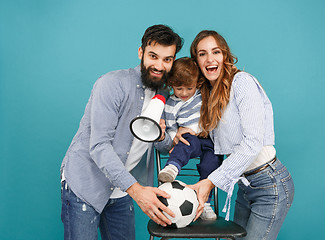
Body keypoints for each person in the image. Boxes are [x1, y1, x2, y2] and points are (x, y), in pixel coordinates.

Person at [60, 24, 183, 240]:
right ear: (141, 52)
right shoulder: (111, 84)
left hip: (122, 186)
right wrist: (137, 191)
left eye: (167, 59)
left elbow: (161, 147)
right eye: (153, 56)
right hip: (86, 182)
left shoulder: (165, 95)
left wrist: (163, 136)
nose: (159, 65)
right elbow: (99, 146)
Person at [180, 30, 295, 240]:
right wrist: (182, 128)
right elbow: (212, 139)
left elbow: (252, 143)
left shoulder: (242, 82)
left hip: (269, 183)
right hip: (244, 185)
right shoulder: (209, 95)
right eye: (202, 54)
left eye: (215, 51)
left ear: (224, 55)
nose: (210, 58)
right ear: (196, 61)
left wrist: (211, 181)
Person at [157, 57, 222, 220]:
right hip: (189, 140)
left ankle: (205, 202)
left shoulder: (203, 95)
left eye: (189, 88)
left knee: (213, 160)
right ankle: (172, 167)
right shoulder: (171, 104)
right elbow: (171, 127)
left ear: (198, 83)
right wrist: (174, 141)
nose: (184, 93)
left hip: (208, 139)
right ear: (171, 84)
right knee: (186, 139)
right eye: (179, 88)